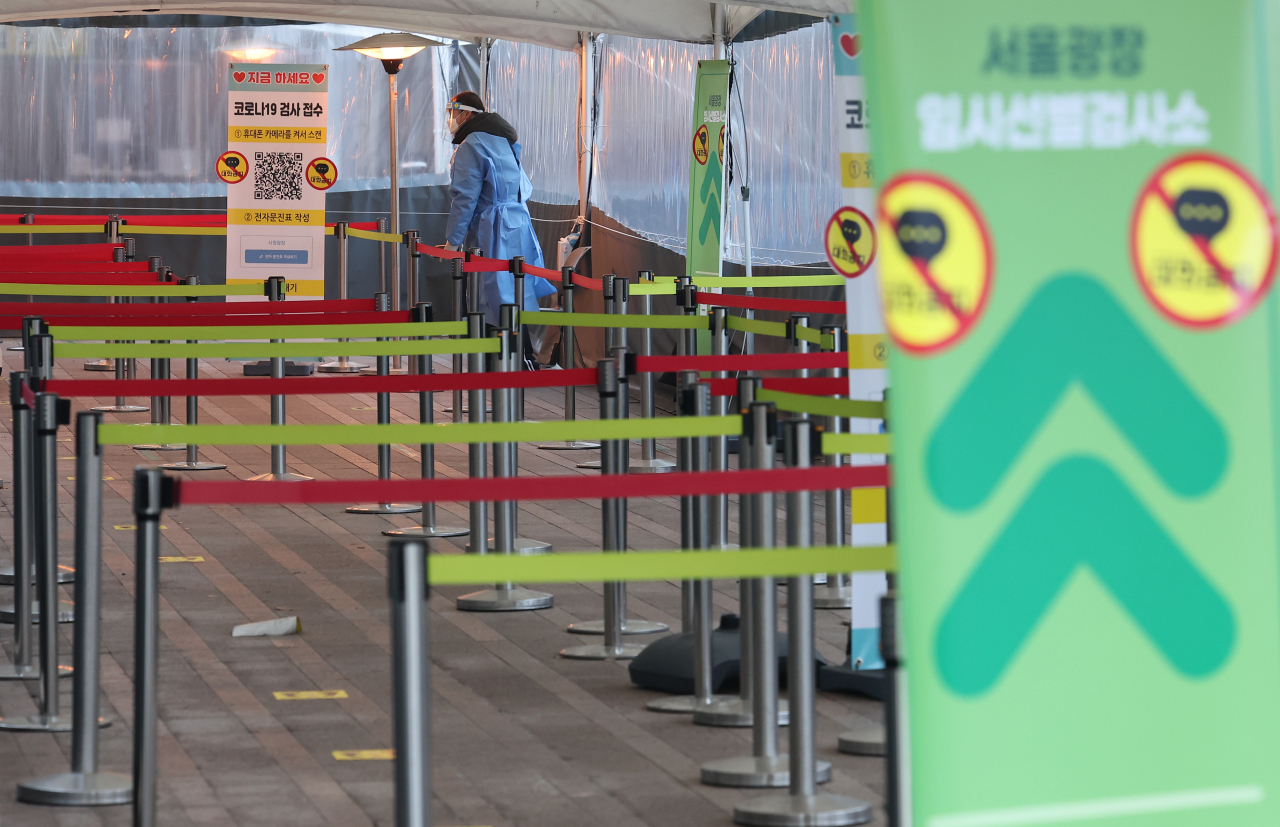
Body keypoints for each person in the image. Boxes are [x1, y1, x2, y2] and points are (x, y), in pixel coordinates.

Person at [443, 91, 555, 328]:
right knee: (518, 289)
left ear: (466, 114)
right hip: (518, 222)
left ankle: (500, 356)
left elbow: (465, 199)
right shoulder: (504, 139)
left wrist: (453, 243)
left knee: (491, 294)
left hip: (491, 229)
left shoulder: (470, 146)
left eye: (454, 113)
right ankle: (523, 354)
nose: (451, 119)